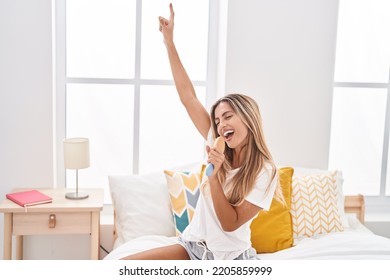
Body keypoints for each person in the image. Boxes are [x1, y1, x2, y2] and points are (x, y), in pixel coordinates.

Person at [120, 3, 285, 260]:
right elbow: (188, 96)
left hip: (230, 258)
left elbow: (230, 224)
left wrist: (215, 175)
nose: (220, 125)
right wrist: (169, 42)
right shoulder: (218, 142)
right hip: (193, 246)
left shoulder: (265, 171)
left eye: (228, 116)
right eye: (218, 120)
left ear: (249, 119)